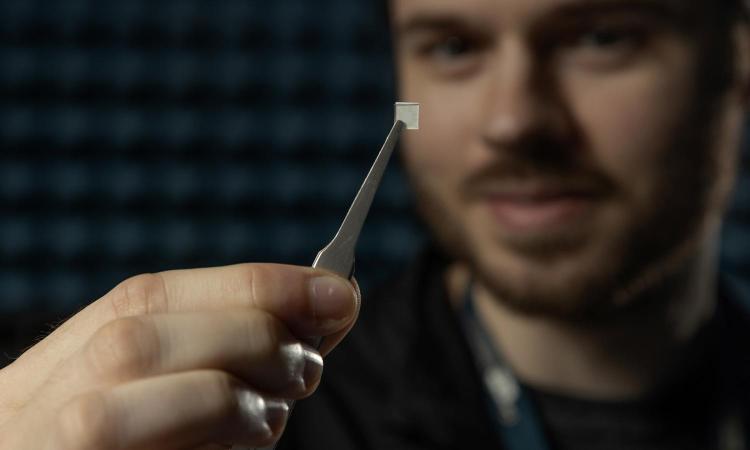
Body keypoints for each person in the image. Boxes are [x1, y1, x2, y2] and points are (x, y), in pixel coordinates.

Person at [0, 0, 748, 448]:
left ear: (737, 56)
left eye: (600, 37)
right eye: (453, 47)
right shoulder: (246, 423)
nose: (515, 120)